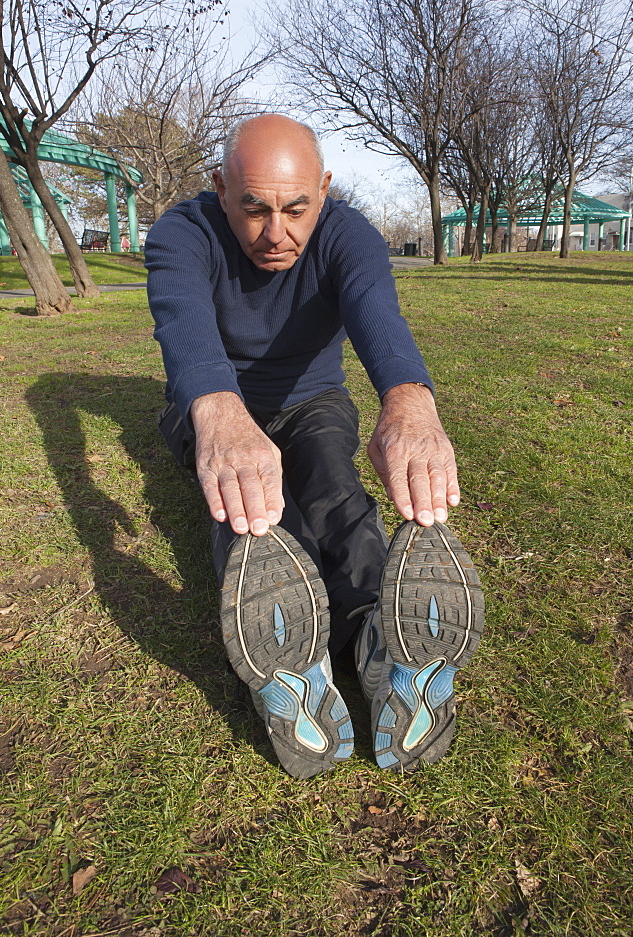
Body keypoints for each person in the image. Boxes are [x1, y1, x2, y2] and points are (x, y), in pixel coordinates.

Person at [145, 114, 484, 779]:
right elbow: (182, 324)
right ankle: (292, 662)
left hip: (312, 400)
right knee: (256, 511)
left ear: (324, 190)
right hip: (219, 408)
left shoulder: (348, 234)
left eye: (297, 208)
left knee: (334, 485)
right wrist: (218, 411)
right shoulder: (180, 235)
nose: (278, 234)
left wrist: (409, 399)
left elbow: (376, 313)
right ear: (220, 188)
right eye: (255, 209)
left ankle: (380, 640)